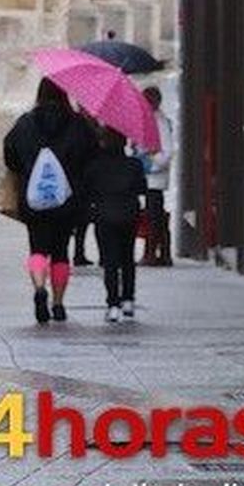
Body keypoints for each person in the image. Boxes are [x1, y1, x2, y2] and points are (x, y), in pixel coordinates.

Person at [3, 79, 97, 325]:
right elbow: (91, 156)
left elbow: (10, 156)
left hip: (33, 199)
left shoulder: (25, 124)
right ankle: (58, 303)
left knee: (37, 248)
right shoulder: (77, 124)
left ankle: (38, 288)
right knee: (60, 252)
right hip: (67, 200)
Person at [86, 127, 148, 322]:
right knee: (127, 258)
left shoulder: (95, 166)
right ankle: (128, 299)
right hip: (128, 215)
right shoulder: (133, 165)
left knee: (110, 262)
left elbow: (88, 190)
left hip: (104, 216)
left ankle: (113, 304)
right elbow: (142, 189)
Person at [138, 86, 174, 266]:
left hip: (155, 177)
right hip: (146, 175)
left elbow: (167, 152)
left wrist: (151, 162)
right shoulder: (145, 119)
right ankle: (156, 251)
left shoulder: (160, 122)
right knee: (152, 215)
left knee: (154, 215)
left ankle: (155, 251)